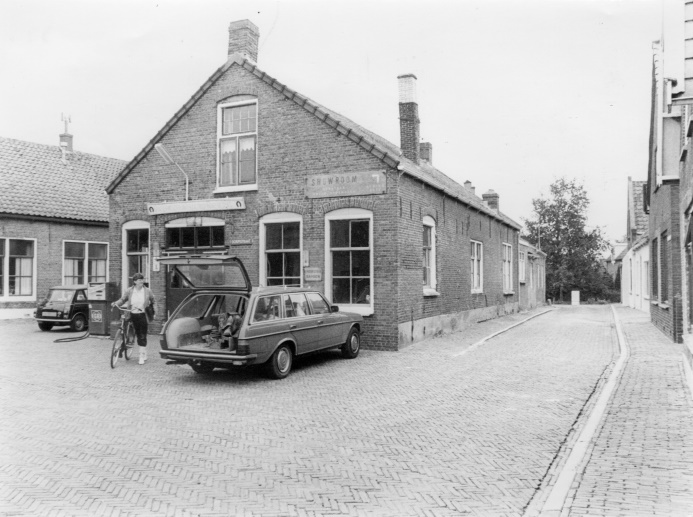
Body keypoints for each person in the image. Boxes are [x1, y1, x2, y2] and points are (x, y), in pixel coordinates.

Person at [112, 273, 156, 365]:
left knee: (142, 335)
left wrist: (154, 311)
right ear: (135, 281)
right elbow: (123, 299)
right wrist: (116, 303)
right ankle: (127, 345)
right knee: (128, 331)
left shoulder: (147, 291)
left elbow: (153, 301)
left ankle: (141, 355)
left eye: (142, 279)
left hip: (143, 314)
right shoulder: (129, 290)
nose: (141, 281)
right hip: (132, 314)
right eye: (139, 280)